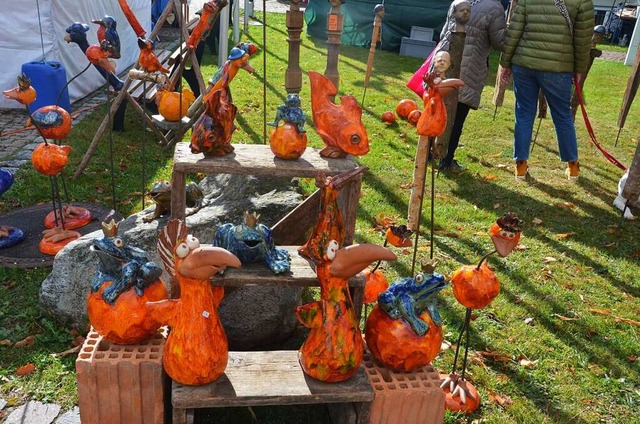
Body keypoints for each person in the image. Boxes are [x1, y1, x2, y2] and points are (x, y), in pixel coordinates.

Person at [500, 0, 594, 180]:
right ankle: (572, 165)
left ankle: (520, 165)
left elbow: (515, 30)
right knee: (562, 116)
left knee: (524, 114)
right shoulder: (583, 1)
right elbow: (583, 40)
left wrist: (505, 62)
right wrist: (580, 69)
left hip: (524, 62)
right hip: (557, 67)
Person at [438, 0, 506, 173]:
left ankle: (434, 154)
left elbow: (443, 33)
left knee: (440, 112)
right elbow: (500, 42)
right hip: (470, 68)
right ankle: (445, 160)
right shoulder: (494, 7)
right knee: (457, 117)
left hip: (446, 63)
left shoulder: (458, 1)